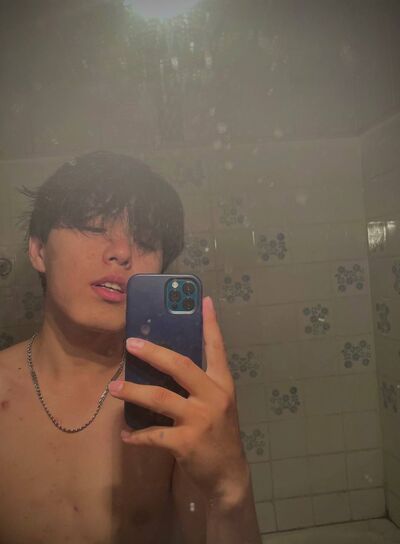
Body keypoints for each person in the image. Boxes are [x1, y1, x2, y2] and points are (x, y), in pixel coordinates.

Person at [0, 151, 261, 543]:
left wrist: (231, 489)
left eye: (145, 241)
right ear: (38, 251)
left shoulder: (173, 400)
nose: (122, 252)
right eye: (94, 227)